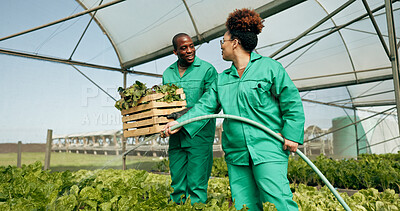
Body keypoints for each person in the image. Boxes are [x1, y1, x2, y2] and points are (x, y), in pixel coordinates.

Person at [163, 9, 304, 211]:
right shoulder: (222, 78)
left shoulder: (270, 68)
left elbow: (291, 101)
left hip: (267, 147)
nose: (221, 45)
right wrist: (180, 123)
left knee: (279, 200)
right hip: (237, 152)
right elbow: (205, 106)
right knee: (244, 204)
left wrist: (292, 134)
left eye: (224, 41)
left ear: (235, 43)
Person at [162, 33, 218, 205]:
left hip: (198, 134)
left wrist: (183, 120)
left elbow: (213, 104)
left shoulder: (207, 69)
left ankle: (197, 207)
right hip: (176, 136)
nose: (189, 51)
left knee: (196, 184)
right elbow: (164, 103)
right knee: (177, 181)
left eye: (191, 46)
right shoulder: (168, 73)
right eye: (183, 48)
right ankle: (178, 207)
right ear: (175, 52)